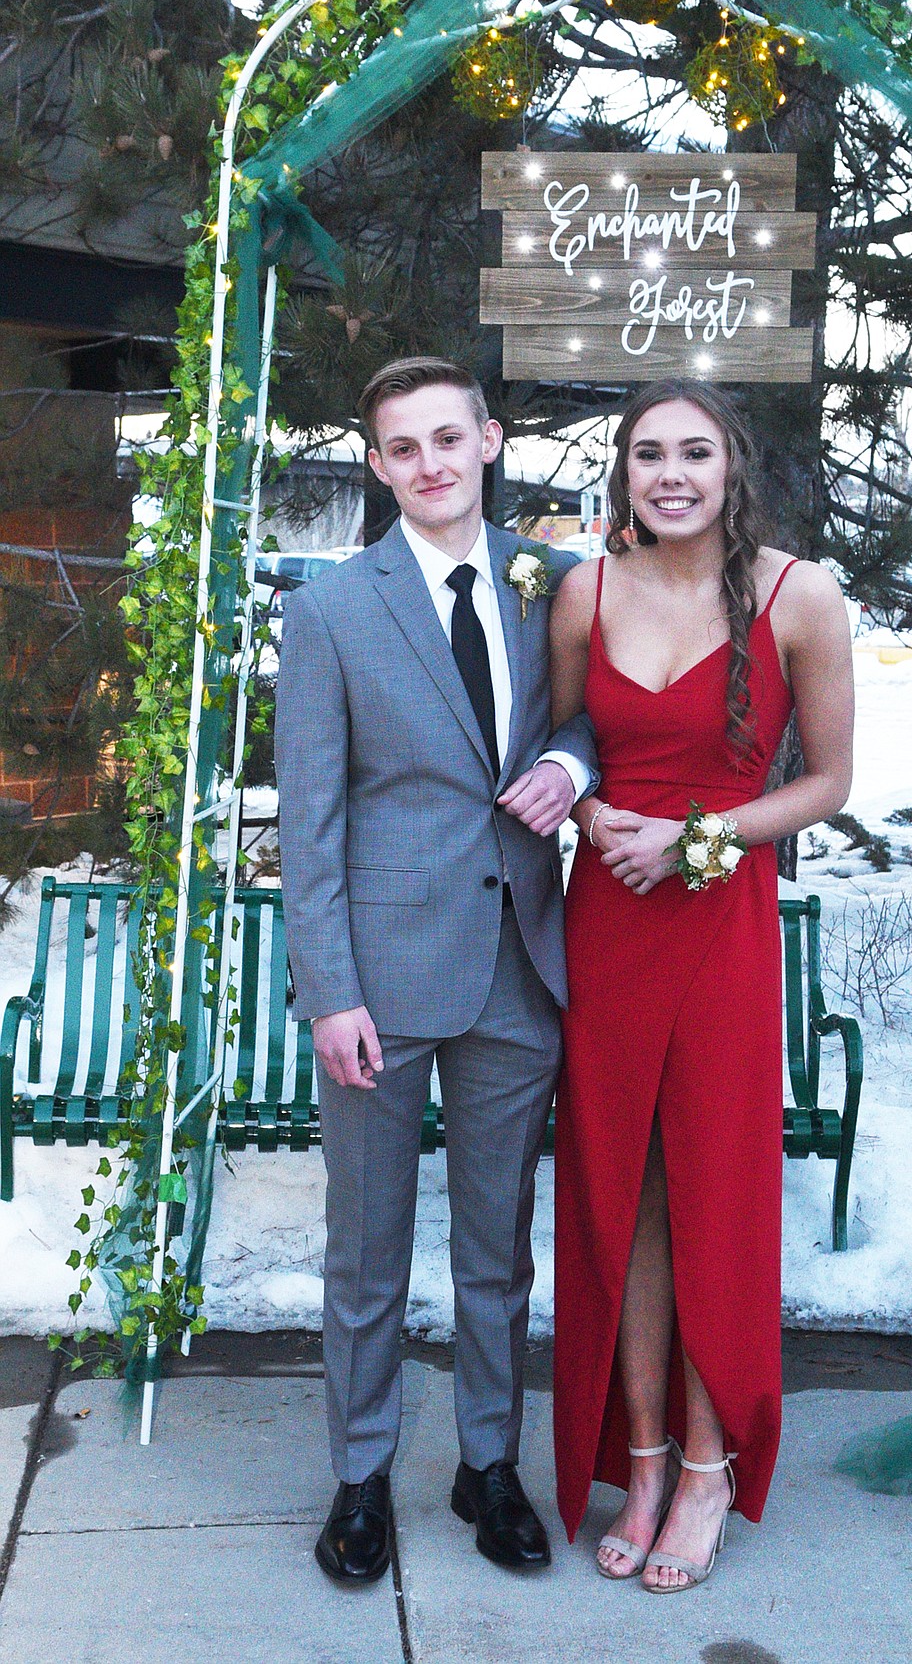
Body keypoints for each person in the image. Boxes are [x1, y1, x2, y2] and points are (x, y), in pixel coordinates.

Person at [275, 356, 598, 1585]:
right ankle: (360, 1475)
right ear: (377, 465)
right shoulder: (334, 610)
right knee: (364, 1248)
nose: (430, 463)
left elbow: (589, 718)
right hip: (381, 978)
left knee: (497, 1246)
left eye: (448, 439)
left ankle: (485, 1464)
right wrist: (331, 991)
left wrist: (573, 768)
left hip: (519, 960)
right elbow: (310, 822)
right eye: (402, 447)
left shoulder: (551, 582)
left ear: (491, 440)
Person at [549, 379, 854, 1592]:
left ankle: (713, 1468)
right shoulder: (584, 589)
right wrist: (589, 810)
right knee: (624, 1189)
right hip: (606, 922)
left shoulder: (799, 595)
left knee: (715, 1189)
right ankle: (645, 1452)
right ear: (623, 470)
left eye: (693, 452)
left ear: (734, 466)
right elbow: (558, 750)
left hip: (719, 920)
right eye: (645, 453)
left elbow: (826, 780)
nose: (669, 473)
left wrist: (701, 839)